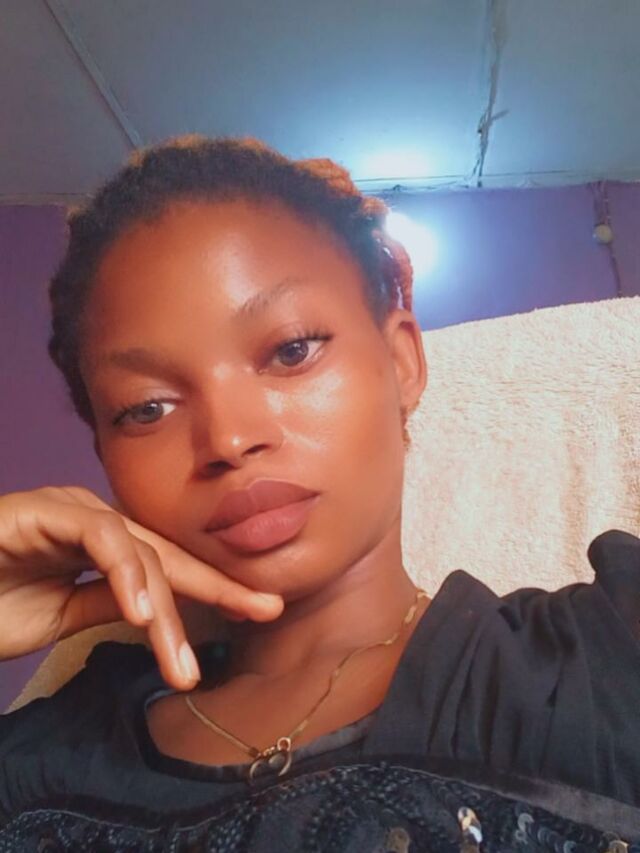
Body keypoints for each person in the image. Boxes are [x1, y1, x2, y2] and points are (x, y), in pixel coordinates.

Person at [0, 136, 638, 851]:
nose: (229, 438)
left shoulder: (603, 658)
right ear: (106, 458)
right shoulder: (45, 763)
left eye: (292, 350)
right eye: (147, 407)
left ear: (401, 361)